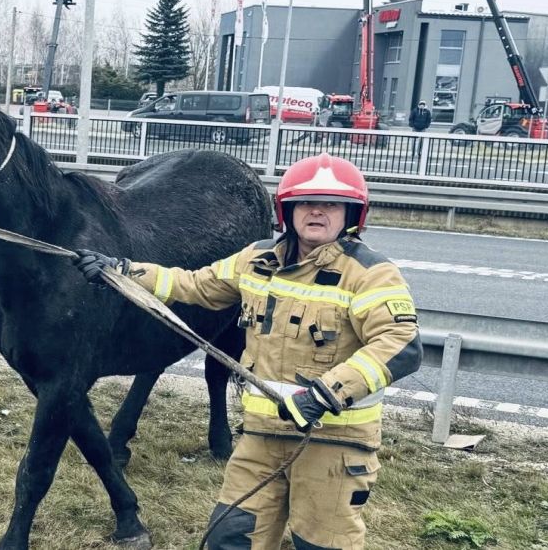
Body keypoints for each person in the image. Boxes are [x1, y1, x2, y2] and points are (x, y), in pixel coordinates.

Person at [72, 153, 421, 550]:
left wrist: (328, 393)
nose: (317, 212)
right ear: (287, 211)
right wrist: (124, 270)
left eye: (331, 204)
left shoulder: (371, 275)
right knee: (230, 537)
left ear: (353, 213)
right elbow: (193, 284)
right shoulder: (257, 260)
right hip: (261, 439)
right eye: (306, 203)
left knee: (321, 544)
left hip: (332, 443)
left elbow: (401, 345)